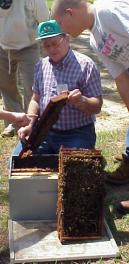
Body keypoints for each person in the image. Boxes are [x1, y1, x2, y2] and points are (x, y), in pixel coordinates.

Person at [51, 0, 129, 213]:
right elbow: (121, 78)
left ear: (69, 13)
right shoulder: (95, 40)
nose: (61, 31)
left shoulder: (107, 12)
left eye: (60, 24)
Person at [15, 19, 102, 156]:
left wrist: (82, 101)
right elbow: (35, 100)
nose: (51, 49)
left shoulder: (86, 66)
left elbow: (97, 106)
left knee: (75, 167)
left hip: (77, 133)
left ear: (67, 39)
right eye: (46, 45)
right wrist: (30, 125)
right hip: (45, 131)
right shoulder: (41, 66)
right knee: (18, 160)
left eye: (55, 43)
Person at [0, 0, 49, 137]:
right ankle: (13, 123)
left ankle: (31, 122)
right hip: (2, 46)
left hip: (29, 46)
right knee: (6, 86)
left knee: (32, 86)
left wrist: (48, 53)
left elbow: (45, 20)